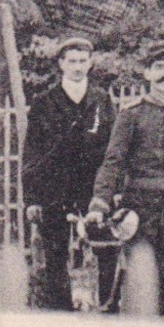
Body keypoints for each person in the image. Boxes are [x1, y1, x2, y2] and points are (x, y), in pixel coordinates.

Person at [86, 41, 164, 317]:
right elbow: (113, 162)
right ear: (148, 74)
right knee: (140, 279)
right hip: (139, 210)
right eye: (160, 68)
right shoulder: (131, 114)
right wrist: (99, 203)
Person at [24, 37, 116, 312]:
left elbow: (112, 150)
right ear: (61, 64)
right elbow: (32, 153)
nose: (77, 66)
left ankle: (106, 312)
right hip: (55, 191)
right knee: (55, 257)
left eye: (83, 61)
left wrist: (112, 190)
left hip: (93, 190)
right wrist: (32, 199)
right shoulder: (45, 101)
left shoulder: (101, 99)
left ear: (90, 64)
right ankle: (60, 316)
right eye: (72, 61)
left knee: (104, 251)